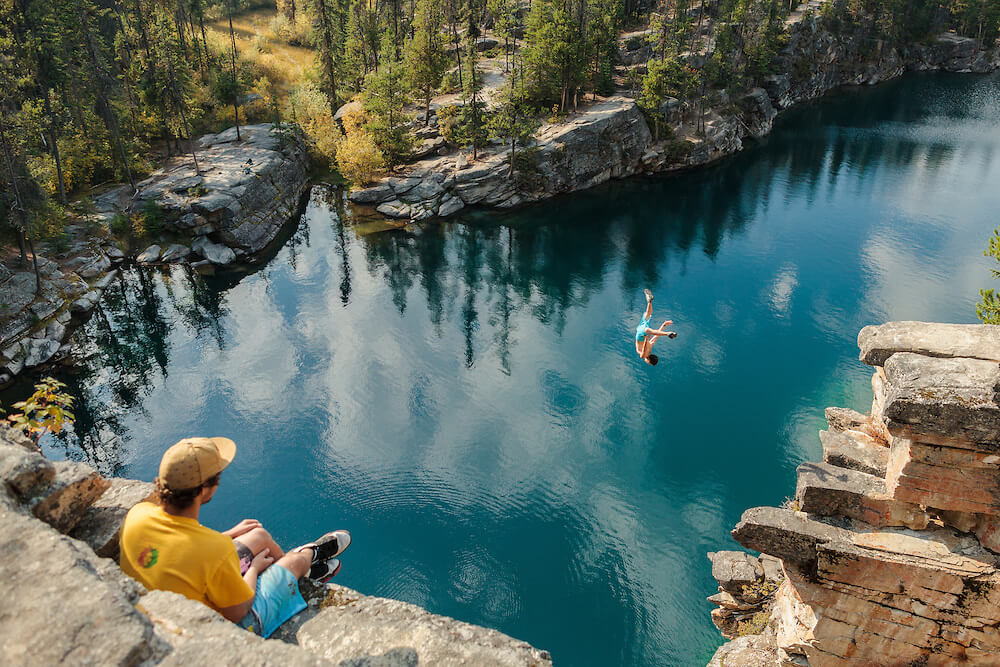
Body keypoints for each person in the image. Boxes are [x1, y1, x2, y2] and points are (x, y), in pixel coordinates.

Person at [120, 437, 351, 638]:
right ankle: (305, 561)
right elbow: (238, 610)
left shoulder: (137, 515)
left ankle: (296, 571)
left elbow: (182, 544)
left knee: (258, 536)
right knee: (293, 561)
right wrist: (254, 569)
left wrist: (228, 535)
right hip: (222, 625)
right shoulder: (214, 549)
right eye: (217, 476)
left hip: (169, 597)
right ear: (204, 490)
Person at [635, 289, 677, 365]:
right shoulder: (644, 356)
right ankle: (667, 333)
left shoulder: (650, 347)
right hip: (642, 335)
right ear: (648, 360)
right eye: (648, 363)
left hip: (644, 333)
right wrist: (645, 341)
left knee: (648, 315)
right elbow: (643, 352)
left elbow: (656, 336)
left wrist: (664, 324)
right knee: (648, 329)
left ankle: (649, 301)